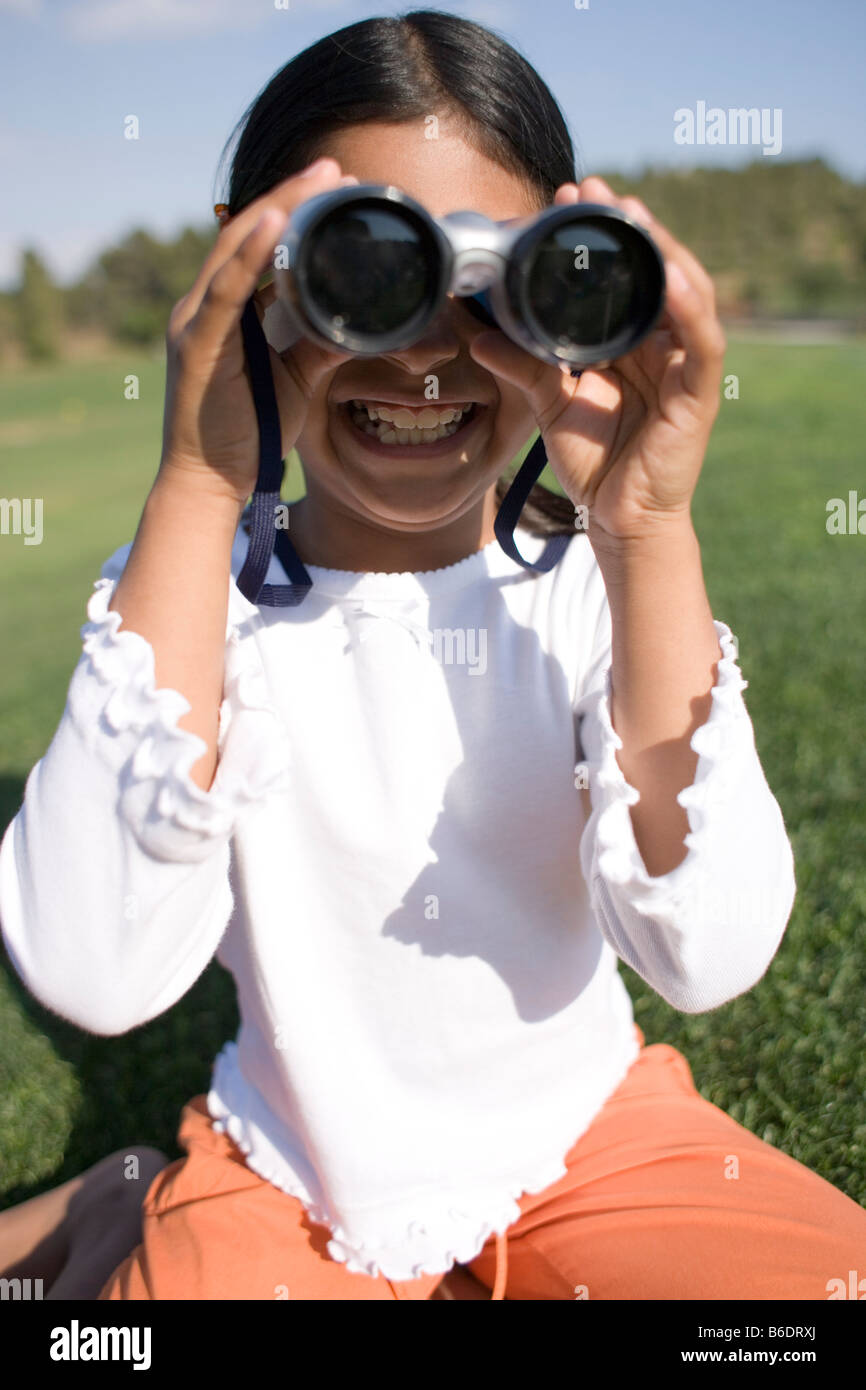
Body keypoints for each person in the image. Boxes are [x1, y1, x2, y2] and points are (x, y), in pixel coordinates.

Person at [1, 10, 864, 1302]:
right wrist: (197, 476)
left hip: (583, 1125)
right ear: (256, 275)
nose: (420, 352)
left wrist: (644, 532)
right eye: (362, 274)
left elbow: (709, 955)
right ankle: (140, 1191)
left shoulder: (582, 586)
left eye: (489, 291)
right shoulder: (198, 597)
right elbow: (93, 972)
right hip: (294, 1158)